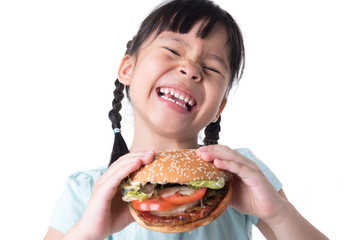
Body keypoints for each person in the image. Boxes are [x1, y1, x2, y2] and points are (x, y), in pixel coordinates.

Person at [44, 0, 328, 239]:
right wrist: (87, 233)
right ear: (128, 69)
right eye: (173, 51)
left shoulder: (240, 174)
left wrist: (278, 213)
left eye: (211, 67)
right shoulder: (88, 190)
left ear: (220, 107)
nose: (191, 69)